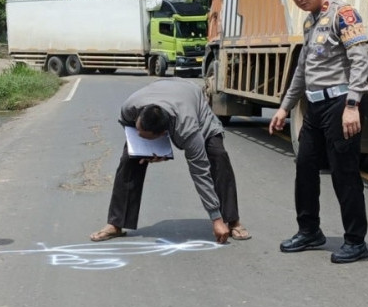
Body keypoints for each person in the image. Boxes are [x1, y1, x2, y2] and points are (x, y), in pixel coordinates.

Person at [268, 0, 368, 264]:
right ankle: (309, 230)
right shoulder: (310, 23)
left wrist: (353, 105)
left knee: (344, 173)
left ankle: (355, 241)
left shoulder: (343, 13)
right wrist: (285, 107)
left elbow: (360, 60)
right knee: (305, 169)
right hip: (313, 106)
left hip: (340, 105)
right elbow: (302, 69)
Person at [90, 78, 249, 244]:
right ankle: (115, 224)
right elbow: (128, 127)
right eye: (139, 129)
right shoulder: (130, 107)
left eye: (144, 135)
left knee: (219, 156)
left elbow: (200, 172)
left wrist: (216, 218)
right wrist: (147, 151)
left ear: (162, 134)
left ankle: (232, 221)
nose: (138, 134)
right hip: (164, 89)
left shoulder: (188, 131)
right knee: (129, 160)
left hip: (192, 100)